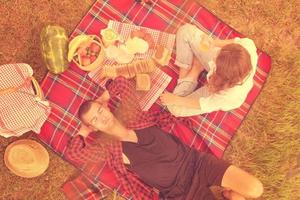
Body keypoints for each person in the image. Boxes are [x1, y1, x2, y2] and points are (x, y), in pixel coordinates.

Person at [66, 96, 263, 200]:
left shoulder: (133, 115)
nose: (102, 118)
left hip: (197, 162)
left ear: (106, 106)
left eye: (100, 110)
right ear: (93, 127)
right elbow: (73, 153)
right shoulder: (108, 150)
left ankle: (229, 195)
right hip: (181, 193)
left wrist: (105, 96)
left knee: (255, 189)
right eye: (95, 120)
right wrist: (83, 131)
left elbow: (122, 83)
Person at [160, 23, 258, 116]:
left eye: (216, 58)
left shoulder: (228, 96)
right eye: (218, 54)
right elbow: (235, 43)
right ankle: (190, 72)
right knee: (185, 31)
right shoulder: (247, 48)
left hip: (218, 88)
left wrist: (175, 99)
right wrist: (213, 42)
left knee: (174, 108)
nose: (214, 56)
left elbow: (203, 104)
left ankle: (195, 70)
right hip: (223, 66)